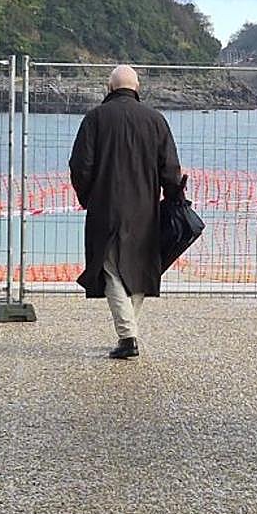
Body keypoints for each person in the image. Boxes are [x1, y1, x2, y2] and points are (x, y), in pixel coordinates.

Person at [69, 65, 182, 359]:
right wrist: (173, 199)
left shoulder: (95, 119)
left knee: (109, 269)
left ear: (109, 87)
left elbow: (80, 166)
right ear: (138, 87)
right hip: (145, 208)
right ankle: (128, 333)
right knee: (141, 269)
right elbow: (170, 168)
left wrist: (87, 197)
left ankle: (128, 336)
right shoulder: (156, 120)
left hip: (105, 207)